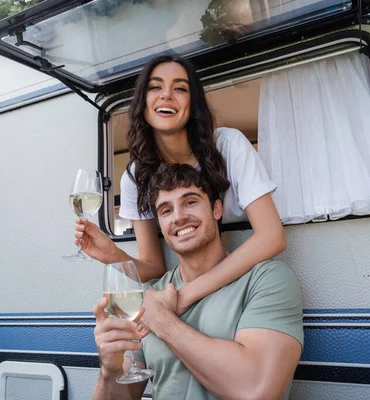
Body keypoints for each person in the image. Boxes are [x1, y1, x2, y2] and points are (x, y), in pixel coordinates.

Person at [76, 54, 285, 315]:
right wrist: (113, 256)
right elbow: (155, 267)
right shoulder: (134, 176)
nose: (166, 95)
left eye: (180, 88)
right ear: (143, 103)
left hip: (240, 281)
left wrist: (187, 295)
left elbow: (272, 238)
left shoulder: (228, 144)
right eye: (155, 87)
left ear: (192, 104)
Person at [92, 164, 303, 400]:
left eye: (190, 202)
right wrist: (109, 370)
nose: (179, 217)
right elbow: (123, 396)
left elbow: (258, 391)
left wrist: (162, 321)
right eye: (165, 211)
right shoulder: (151, 293)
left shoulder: (267, 279)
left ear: (216, 209)